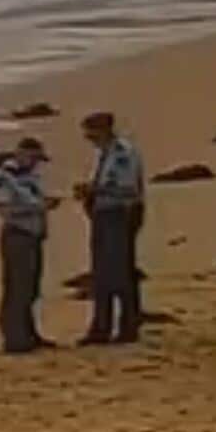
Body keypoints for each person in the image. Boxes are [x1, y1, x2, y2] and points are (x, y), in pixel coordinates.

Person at [75, 113, 145, 346]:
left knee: (120, 272)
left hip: (118, 215)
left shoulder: (123, 154)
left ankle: (127, 326)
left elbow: (127, 189)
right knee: (102, 273)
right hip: (104, 214)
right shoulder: (105, 154)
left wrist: (95, 191)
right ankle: (101, 327)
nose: (88, 138)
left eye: (91, 133)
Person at [0, 137, 60, 354]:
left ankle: (29, 333)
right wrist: (39, 207)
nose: (35, 163)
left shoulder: (31, 176)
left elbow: (34, 199)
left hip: (33, 236)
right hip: (17, 235)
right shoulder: (4, 177)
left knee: (31, 288)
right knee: (16, 288)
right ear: (20, 154)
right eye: (33, 158)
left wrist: (44, 204)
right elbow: (4, 209)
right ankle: (14, 337)